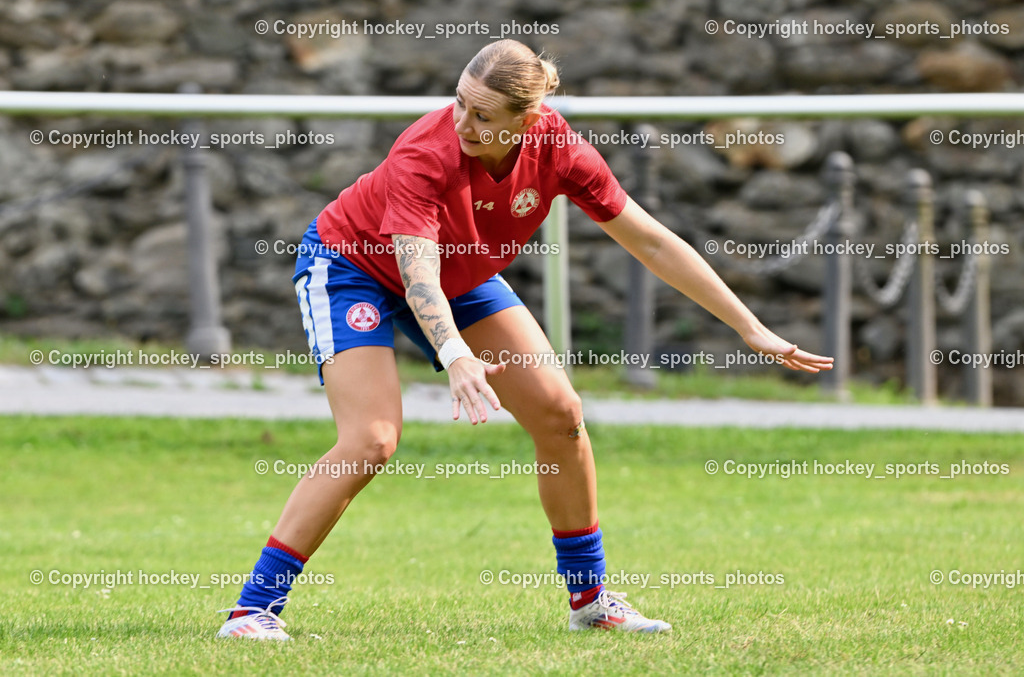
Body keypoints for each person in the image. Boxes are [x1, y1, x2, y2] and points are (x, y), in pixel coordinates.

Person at [216, 39, 833, 640]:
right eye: (459, 102)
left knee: (561, 414)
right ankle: (252, 611)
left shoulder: (558, 148)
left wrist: (748, 326)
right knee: (372, 440)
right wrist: (455, 352)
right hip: (355, 267)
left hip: (463, 275)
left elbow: (649, 240)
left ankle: (590, 602)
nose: (463, 122)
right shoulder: (424, 151)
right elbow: (416, 268)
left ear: (528, 119)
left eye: (483, 115)